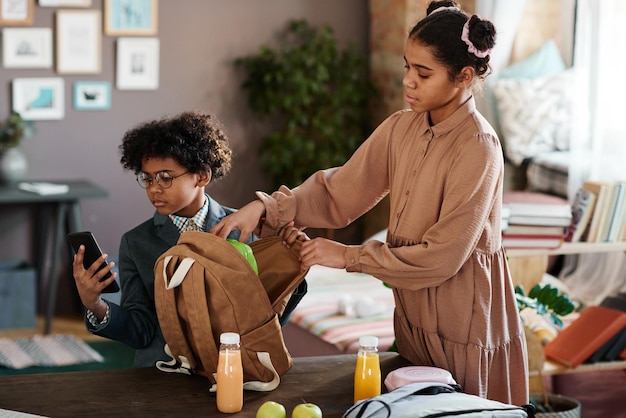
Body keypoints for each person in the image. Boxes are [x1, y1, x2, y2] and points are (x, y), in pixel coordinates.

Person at [211, 1, 528, 405]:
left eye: (423, 73)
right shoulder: (401, 127)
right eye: (407, 67)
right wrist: (266, 209)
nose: (408, 82)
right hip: (412, 318)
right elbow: (339, 191)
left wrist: (349, 256)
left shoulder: (479, 147)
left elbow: (441, 258)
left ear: (464, 76)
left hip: (464, 320)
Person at [71, 110, 307, 368]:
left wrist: (290, 266)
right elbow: (140, 331)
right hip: (163, 373)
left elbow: (264, 320)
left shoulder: (245, 229)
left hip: (231, 368)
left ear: (202, 176)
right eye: (147, 178)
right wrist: (95, 304)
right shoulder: (135, 242)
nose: (154, 188)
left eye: (165, 177)